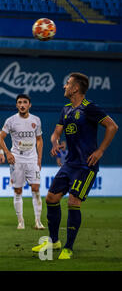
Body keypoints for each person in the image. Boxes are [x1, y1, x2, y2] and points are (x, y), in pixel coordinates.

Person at [32, 72, 118, 259]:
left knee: (73, 201)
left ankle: (68, 247)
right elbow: (56, 133)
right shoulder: (66, 109)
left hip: (86, 166)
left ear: (76, 88)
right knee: (51, 198)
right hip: (69, 164)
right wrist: (55, 143)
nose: (64, 86)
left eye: (68, 83)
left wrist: (100, 151)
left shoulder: (90, 108)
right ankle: (54, 241)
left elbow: (112, 126)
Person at [0, 94, 45, 230]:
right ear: (16, 105)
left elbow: (40, 140)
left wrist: (39, 159)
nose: (22, 105)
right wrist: (7, 152)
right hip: (17, 159)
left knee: (35, 188)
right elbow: (0, 138)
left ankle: (38, 221)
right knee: (18, 190)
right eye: (19, 102)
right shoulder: (11, 120)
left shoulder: (36, 120)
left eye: (25, 102)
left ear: (29, 105)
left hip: (32, 159)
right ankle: (20, 221)